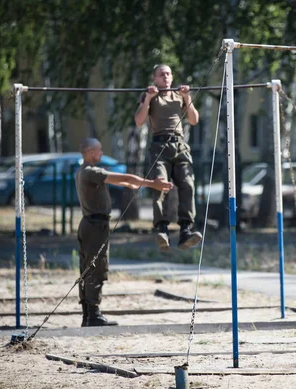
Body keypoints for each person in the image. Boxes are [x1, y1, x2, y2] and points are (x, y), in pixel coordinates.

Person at [75, 138, 173, 327]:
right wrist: (153, 183)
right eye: (99, 150)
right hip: (95, 226)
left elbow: (127, 183)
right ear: (89, 152)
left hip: (90, 224)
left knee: (88, 268)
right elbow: (125, 178)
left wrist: (135, 183)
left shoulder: (82, 172)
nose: (101, 153)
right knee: (96, 268)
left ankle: (88, 315)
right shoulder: (90, 172)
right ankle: (93, 314)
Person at [135, 64, 201, 251]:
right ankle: (162, 229)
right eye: (161, 74)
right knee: (159, 184)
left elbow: (194, 120)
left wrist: (187, 97)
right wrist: (148, 98)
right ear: (154, 78)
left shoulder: (179, 95)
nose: (166, 77)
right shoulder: (149, 95)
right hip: (159, 146)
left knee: (188, 184)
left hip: (180, 145)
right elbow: (139, 121)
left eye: (168, 74)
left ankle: (186, 230)